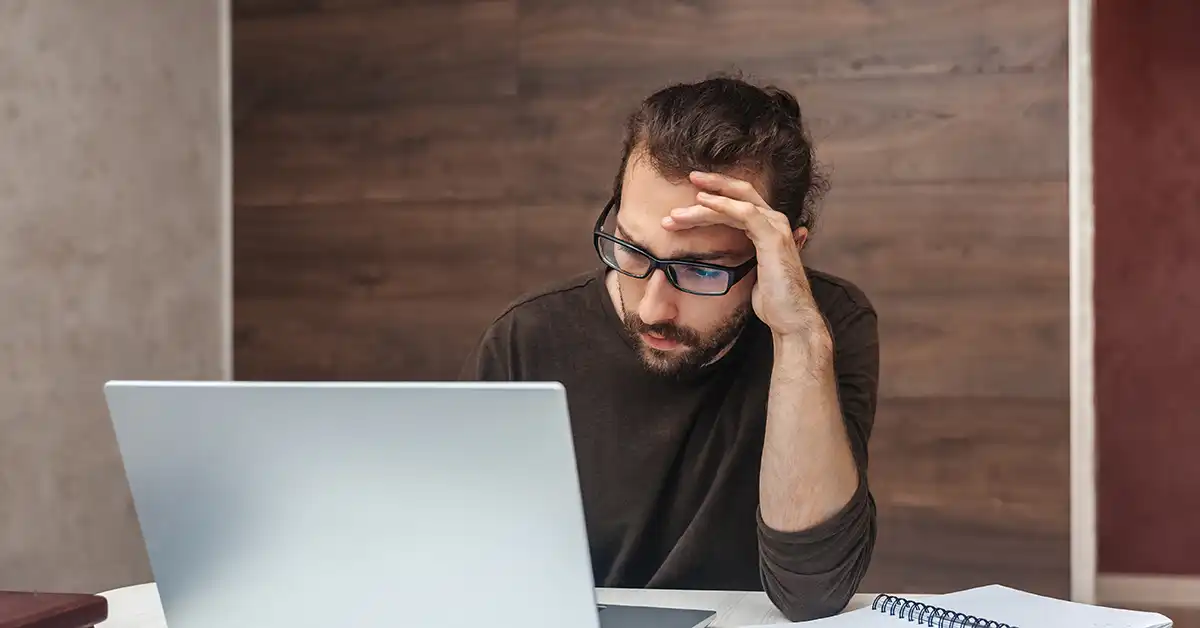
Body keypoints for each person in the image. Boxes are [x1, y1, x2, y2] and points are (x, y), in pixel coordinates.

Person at [460, 75, 878, 622]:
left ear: (783, 254)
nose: (654, 308)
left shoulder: (824, 325)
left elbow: (812, 590)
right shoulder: (528, 337)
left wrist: (797, 337)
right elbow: (468, 565)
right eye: (633, 250)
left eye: (702, 268)